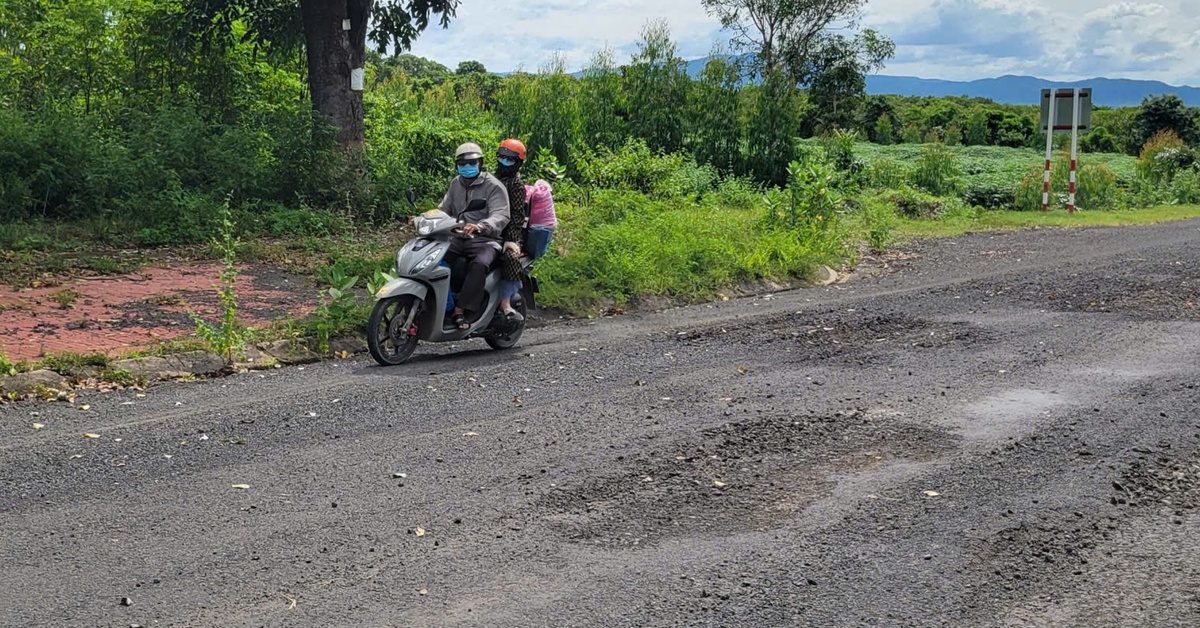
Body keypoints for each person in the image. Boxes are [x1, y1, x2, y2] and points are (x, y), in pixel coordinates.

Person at [438, 142, 510, 329]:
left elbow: (501, 215)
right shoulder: (456, 184)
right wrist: (424, 219)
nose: (467, 167)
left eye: (472, 163)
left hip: (486, 239)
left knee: (479, 263)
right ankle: (443, 303)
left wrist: (480, 226)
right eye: (462, 164)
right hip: (457, 236)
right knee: (433, 257)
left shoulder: (493, 186)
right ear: (457, 165)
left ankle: (460, 310)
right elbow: (444, 210)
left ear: (481, 163)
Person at [494, 138, 529, 323]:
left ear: (518, 163)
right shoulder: (491, 179)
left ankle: (506, 304)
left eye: (509, 160)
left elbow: (517, 215)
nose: (504, 162)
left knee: (510, 259)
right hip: (488, 228)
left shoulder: (516, 185)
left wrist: (511, 240)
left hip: (507, 234)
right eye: (502, 157)